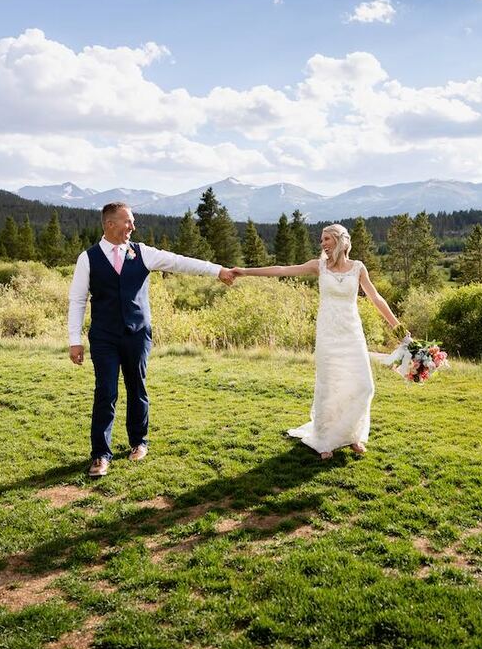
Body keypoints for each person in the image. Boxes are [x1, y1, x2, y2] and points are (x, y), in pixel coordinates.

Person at [68, 202, 236, 477]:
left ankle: (138, 443)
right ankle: (100, 455)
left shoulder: (142, 253)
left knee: (137, 388)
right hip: (104, 337)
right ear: (109, 224)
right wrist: (75, 340)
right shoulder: (88, 258)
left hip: (137, 334)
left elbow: (180, 262)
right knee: (106, 392)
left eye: (132, 222)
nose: (132, 227)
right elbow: (77, 300)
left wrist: (217, 270)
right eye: (127, 222)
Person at [232, 224, 404, 459]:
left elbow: (376, 298)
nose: (322, 243)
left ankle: (353, 435)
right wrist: (245, 271)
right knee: (329, 386)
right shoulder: (319, 266)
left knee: (363, 385)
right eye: (321, 240)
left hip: (352, 333)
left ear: (339, 240)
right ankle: (325, 440)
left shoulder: (358, 268)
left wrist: (400, 330)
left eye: (326, 239)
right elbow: (282, 269)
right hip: (328, 334)